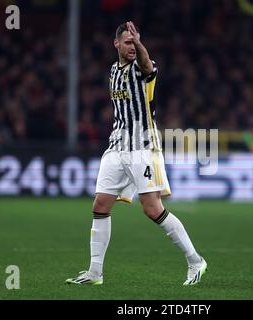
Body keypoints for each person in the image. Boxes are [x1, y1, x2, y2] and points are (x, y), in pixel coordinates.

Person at [66, 21, 207, 286]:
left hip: (143, 146)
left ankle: (195, 260)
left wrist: (141, 44)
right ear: (116, 43)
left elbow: (146, 65)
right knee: (100, 205)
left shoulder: (144, 69)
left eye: (135, 42)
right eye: (128, 42)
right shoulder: (113, 71)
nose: (132, 47)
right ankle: (95, 273)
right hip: (116, 145)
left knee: (152, 208)